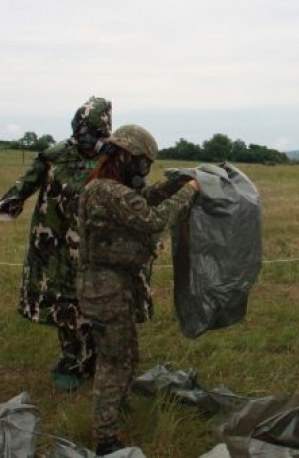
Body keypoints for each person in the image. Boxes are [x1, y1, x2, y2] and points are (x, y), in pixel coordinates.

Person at [76, 124, 198, 456]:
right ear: (126, 157)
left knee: (127, 354)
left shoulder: (110, 189)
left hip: (114, 286)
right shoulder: (106, 192)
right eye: (143, 163)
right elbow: (152, 219)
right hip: (106, 289)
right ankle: (105, 437)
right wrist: (188, 192)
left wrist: (175, 183)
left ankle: (116, 407)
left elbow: (144, 200)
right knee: (114, 361)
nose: (144, 171)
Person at [0, 96, 112, 391]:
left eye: (94, 134)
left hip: (97, 246)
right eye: (83, 133)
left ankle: (96, 358)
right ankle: (71, 360)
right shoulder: (55, 156)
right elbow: (26, 183)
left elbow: (135, 193)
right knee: (64, 303)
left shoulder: (112, 157)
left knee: (96, 304)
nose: (87, 140)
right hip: (56, 245)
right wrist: (10, 203)